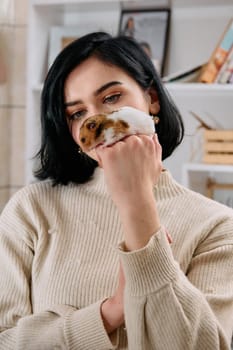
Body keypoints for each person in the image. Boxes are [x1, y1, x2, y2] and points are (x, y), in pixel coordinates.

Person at [0, 31, 233, 350]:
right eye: (77, 113)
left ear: (151, 99)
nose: (96, 121)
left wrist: (137, 202)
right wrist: (109, 314)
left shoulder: (217, 226)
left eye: (111, 98)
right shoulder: (31, 209)